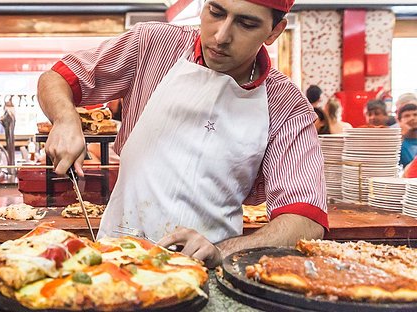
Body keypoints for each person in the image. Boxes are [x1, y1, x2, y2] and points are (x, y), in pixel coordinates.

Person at [38, 0, 326, 268]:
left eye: (246, 24)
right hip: (114, 259)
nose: (221, 36)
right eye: (216, 12)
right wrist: (65, 119)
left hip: (209, 272)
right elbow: (58, 77)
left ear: (275, 31)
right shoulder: (152, 45)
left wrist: (221, 252)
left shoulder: (286, 106)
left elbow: (306, 220)